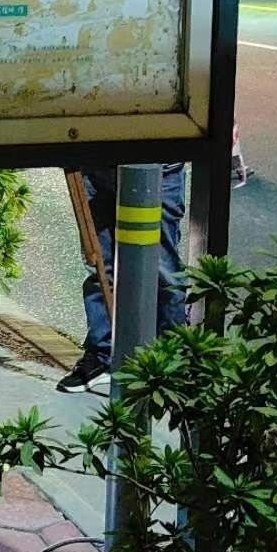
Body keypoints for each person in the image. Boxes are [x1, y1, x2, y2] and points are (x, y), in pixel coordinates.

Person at [56, 163, 188, 394]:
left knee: (163, 268)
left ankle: (173, 362)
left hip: (159, 160)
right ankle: (102, 354)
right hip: (97, 160)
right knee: (100, 265)